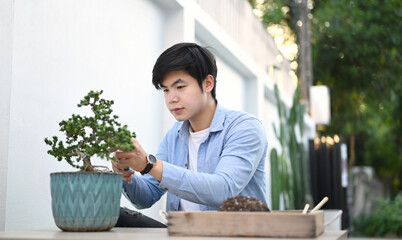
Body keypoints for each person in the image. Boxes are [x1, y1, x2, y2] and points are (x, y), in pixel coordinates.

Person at [112, 42, 268, 226]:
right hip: (181, 233)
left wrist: (149, 164)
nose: (172, 99)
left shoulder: (244, 128)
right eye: (166, 90)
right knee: (118, 217)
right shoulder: (174, 136)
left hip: (234, 236)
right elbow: (146, 198)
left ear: (208, 83)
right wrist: (125, 173)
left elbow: (224, 190)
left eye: (180, 87)